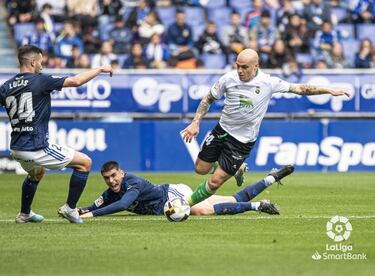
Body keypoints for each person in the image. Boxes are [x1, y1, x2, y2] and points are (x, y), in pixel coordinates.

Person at [181, 48, 350, 207]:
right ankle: (236, 168)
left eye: (245, 67)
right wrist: (196, 122)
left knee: (215, 182)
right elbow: (208, 98)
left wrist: (328, 90)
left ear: (256, 66)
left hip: (241, 142)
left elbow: (300, 88)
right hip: (221, 131)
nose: (240, 71)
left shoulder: (268, 82)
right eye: (238, 66)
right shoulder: (228, 79)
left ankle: (183, 205)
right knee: (200, 169)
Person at [0, 45, 113, 224]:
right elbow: (76, 81)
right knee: (85, 163)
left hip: (16, 147)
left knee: (36, 173)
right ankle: (70, 208)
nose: (42, 67)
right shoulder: (40, 80)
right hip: (35, 146)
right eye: (40, 63)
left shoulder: (6, 86)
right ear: (32, 62)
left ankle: (24, 214)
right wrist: (99, 69)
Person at [79, 161, 295, 218]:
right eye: (107, 178)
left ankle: (259, 205)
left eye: (114, 176)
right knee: (230, 199)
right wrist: (82, 210)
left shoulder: (132, 183)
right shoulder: (110, 192)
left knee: (202, 210)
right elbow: (98, 203)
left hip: (172, 196)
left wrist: (92, 216)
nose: (111, 181)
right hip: (170, 196)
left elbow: (124, 205)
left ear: (122, 173)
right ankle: (270, 178)